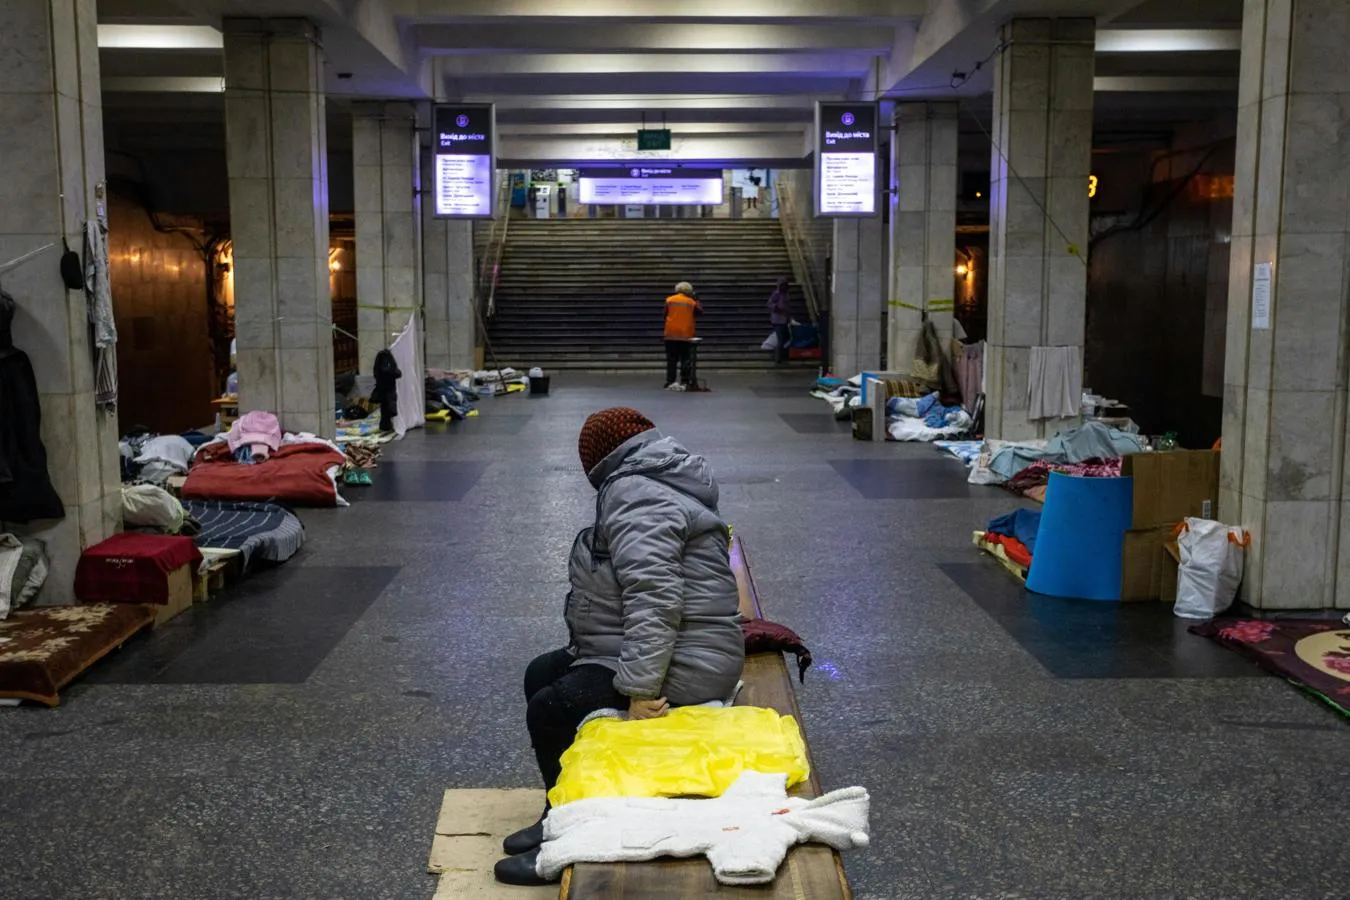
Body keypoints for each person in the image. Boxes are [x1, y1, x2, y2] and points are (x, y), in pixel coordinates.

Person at [494, 407, 746, 887]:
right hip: (679, 641)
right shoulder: (651, 478)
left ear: (598, 462)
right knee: (540, 673)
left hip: (687, 660)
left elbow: (655, 597)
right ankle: (558, 810)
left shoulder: (636, 493)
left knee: (554, 707)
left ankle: (567, 844)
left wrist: (639, 688)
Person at [664, 281, 701, 390]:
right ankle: (685, 380)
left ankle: (670, 381)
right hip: (686, 334)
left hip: (671, 334)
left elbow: (664, 314)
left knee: (671, 359)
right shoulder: (691, 302)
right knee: (685, 358)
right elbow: (699, 312)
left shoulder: (669, 300)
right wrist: (696, 300)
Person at [372, 348, 402, 434]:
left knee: (385, 409)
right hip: (388, 389)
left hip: (383, 389)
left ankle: (386, 425)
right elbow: (397, 373)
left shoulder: (380, 363)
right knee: (388, 408)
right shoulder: (388, 363)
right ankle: (386, 425)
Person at [767, 277, 792, 365]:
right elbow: (770, 304)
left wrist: (788, 317)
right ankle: (778, 358)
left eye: (785, 285)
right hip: (777, 320)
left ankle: (777, 354)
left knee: (786, 337)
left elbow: (788, 307)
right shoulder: (776, 294)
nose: (784, 287)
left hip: (784, 319)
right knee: (781, 339)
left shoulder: (786, 294)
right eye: (782, 285)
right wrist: (777, 308)